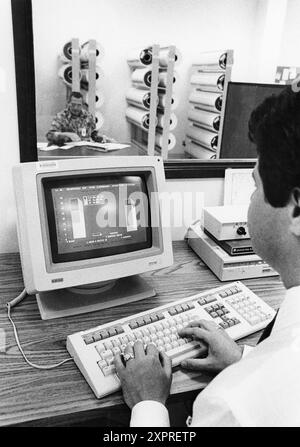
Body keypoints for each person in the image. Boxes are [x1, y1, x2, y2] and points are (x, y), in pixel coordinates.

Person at [114, 85, 300, 427]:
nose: (251, 198)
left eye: (255, 184)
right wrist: (244, 357)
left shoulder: (232, 404)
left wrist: (148, 403)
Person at [46, 91, 113, 146]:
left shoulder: (88, 116)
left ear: (82, 105)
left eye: (78, 105)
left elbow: (93, 135)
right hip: (67, 153)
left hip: (85, 151)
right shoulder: (61, 116)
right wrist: (66, 134)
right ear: (68, 103)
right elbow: (50, 135)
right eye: (73, 104)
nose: (76, 108)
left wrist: (106, 139)